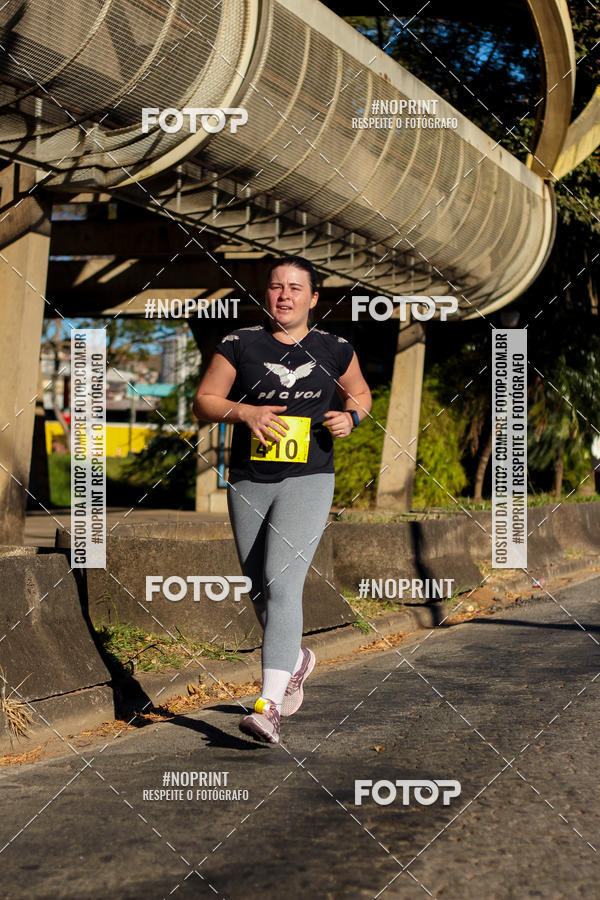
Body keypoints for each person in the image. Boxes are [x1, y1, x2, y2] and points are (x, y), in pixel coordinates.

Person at [193, 255, 371, 744]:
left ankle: (268, 706)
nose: (284, 295)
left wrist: (349, 419)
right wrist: (244, 413)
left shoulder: (334, 347)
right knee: (257, 586)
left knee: (282, 582)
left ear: (313, 299)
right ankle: (295, 659)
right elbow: (204, 401)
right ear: (265, 294)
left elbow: (359, 395)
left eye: (296, 288)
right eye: (276, 287)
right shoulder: (239, 343)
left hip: (309, 478)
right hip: (250, 479)